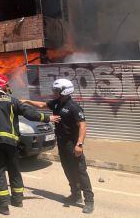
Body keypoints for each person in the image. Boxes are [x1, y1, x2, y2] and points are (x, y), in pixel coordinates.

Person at [0, 74, 60, 215]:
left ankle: (3, 205)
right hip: (12, 142)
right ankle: (17, 199)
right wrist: (47, 118)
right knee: (14, 169)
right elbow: (28, 113)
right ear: (3, 86)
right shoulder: (12, 100)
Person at [20, 78, 94, 214]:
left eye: (56, 90)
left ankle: (89, 200)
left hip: (73, 145)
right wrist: (27, 101)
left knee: (80, 172)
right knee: (68, 170)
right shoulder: (56, 103)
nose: (54, 92)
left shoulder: (73, 107)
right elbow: (42, 105)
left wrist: (79, 144)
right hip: (62, 144)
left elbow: (82, 126)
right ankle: (75, 195)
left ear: (64, 91)